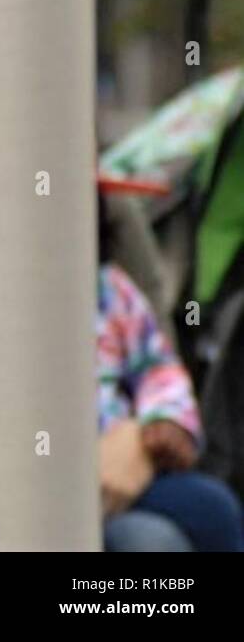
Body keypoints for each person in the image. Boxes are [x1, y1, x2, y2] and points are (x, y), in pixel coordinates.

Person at [97, 190, 244, 552]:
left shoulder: (111, 290)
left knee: (214, 505)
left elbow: (158, 370)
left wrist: (160, 423)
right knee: (149, 541)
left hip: (130, 454)